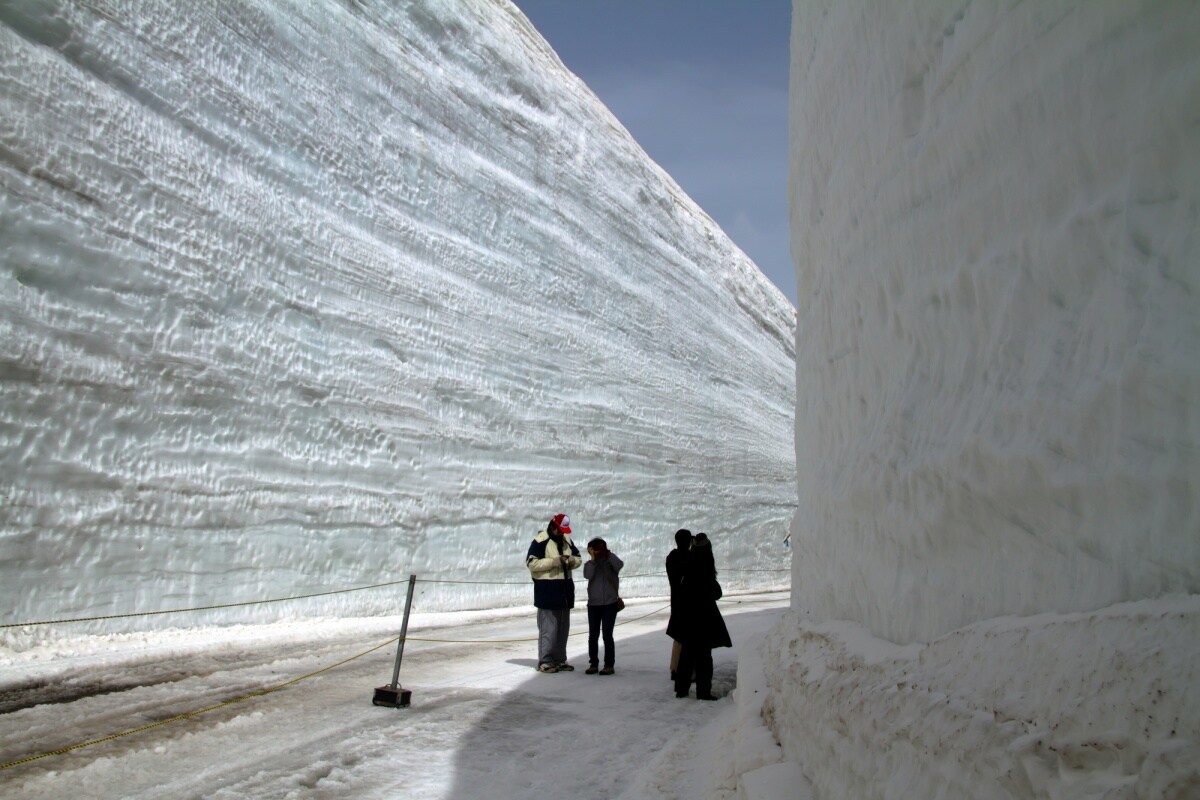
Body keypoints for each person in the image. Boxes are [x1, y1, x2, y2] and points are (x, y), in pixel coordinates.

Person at [666, 532, 731, 700]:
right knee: (703, 657)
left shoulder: (686, 564)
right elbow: (716, 593)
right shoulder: (705, 567)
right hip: (704, 617)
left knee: (687, 654)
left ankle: (681, 689)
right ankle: (703, 691)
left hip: (687, 616)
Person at [526, 513, 582, 673]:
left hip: (564, 592)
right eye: (560, 529)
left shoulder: (567, 540)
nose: (562, 533)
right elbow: (531, 563)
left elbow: (578, 558)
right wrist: (554, 562)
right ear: (553, 526)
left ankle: (559, 659)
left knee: (562, 629)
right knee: (548, 629)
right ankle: (546, 661)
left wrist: (571, 561)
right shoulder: (540, 541)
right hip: (547, 592)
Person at [582, 537, 624, 675]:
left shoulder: (610, 561)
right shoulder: (590, 564)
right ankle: (593, 663)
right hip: (594, 604)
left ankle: (609, 664)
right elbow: (587, 575)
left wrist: (608, 554)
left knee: (607, 635)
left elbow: (619, 565)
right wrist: (593, 559)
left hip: (610, 604)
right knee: (593, 636)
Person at [665, 528, 692, 680]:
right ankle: (688, 671)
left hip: (676, 601)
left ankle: (675, 668)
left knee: (678, 636)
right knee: (689, 638)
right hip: (689, 603)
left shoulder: (671, 557)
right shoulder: (689, 558)